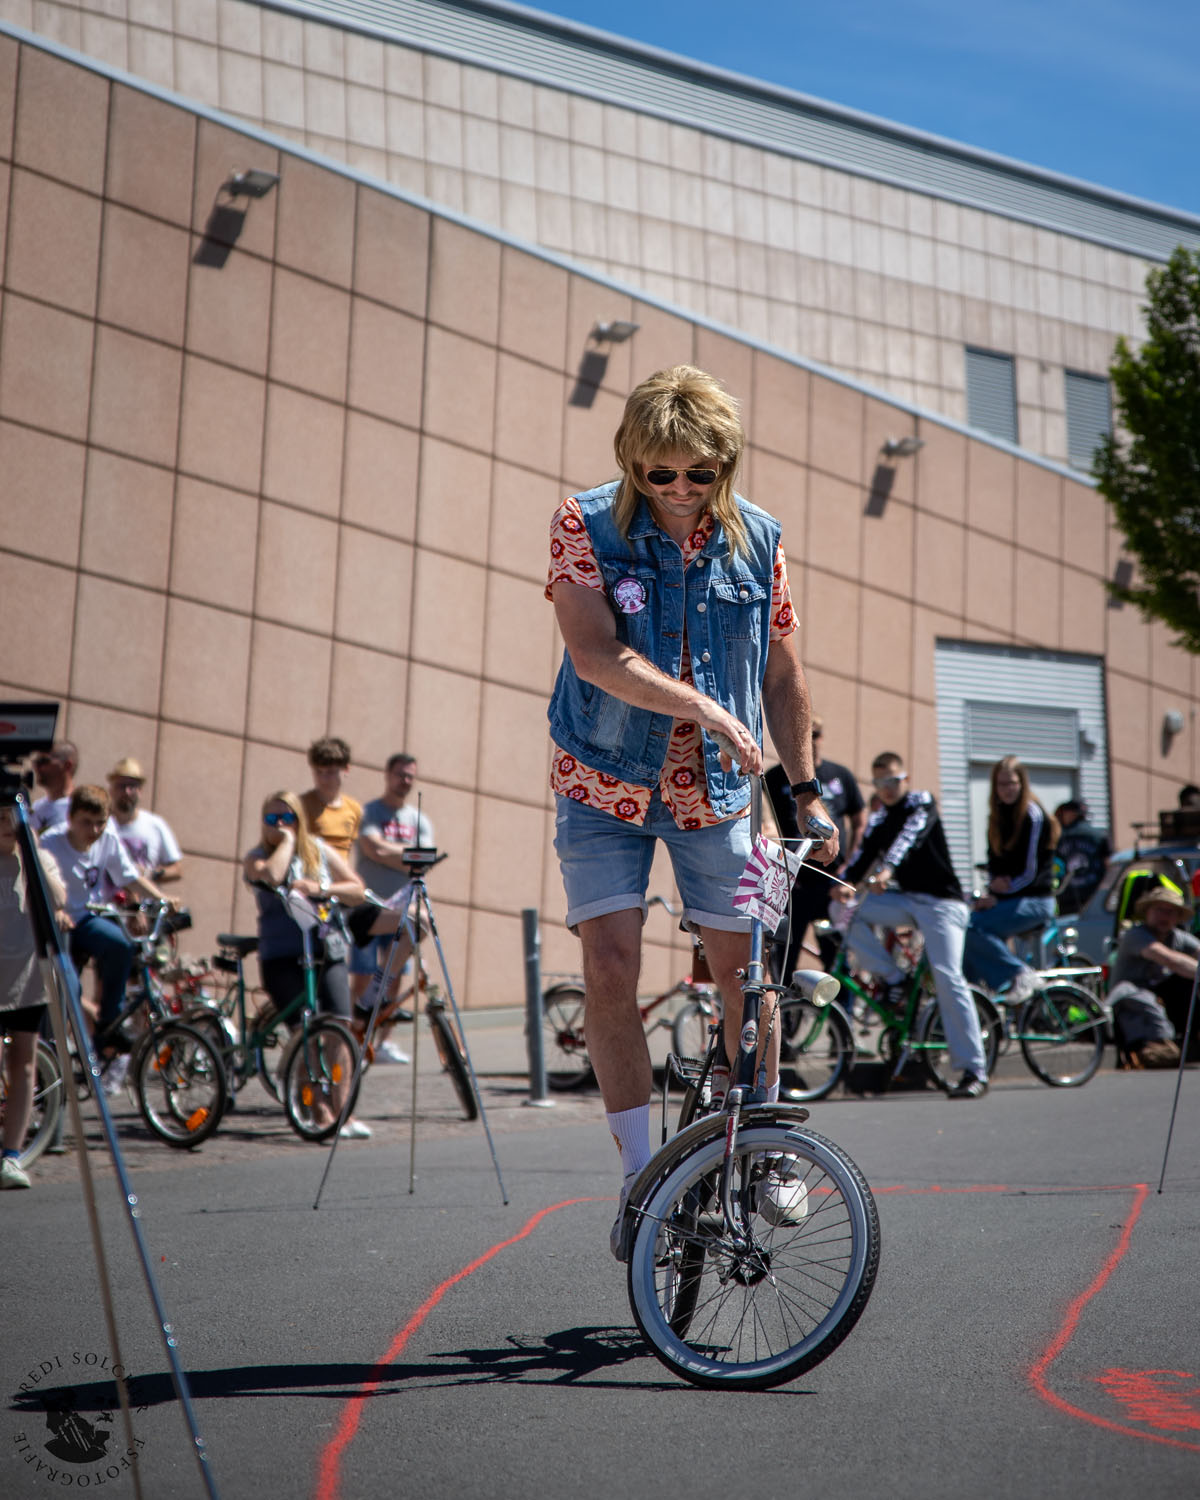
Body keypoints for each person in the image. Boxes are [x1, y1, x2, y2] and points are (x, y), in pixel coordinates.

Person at [545, 364, 838, 1256]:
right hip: (603, 780)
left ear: (727, 466)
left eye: (698, 474)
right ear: (632, 464)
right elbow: (595, 654)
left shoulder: (759, 542)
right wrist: (708, 706)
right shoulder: (583, 524)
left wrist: (805, 789)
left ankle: (766, 1151)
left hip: (717, 793)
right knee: (611, 964)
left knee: (748, 975)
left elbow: (783, 675)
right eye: (658, 473)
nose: (677, 490)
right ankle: (640, 1175)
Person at [243, 790, 409, 1139]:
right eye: (272, 819)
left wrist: (319, 886)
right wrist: (288, 841)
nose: (280, 825)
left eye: (287, 818)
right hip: (282, 956)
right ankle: (318, 1111)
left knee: (340, 1027)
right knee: (306, 1030)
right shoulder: (257, 857)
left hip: (325, 948)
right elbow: (272, 876)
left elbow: (356, 888)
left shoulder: (318, 850)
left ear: (301, 819)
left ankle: (342, 1113)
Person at [834, 752, 989, 1099]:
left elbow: (907, 839)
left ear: (905, 778)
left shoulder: (921, 803)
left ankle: (973, 1070)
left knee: (947, 977)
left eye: (892, 781)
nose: (886, 789)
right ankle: (894, 978)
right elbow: (860, 858)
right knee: (842, 909)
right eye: (878, 783)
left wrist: (886, 870)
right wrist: (840, 883)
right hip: (907, 903)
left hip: (943, 905)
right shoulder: (879, 817)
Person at [37, 786, 179, 1092]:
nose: (95, 830)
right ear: (71, 818)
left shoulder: (108, 840)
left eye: (100, 823)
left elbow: (129, 876)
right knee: (68, 988)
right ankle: (53, 1056)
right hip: (55, 924)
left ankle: (108, 1029)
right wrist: (55, 909)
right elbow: (32, 883)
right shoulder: (50, 843)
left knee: (119, 944)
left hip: (86, 919)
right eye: (87, 822)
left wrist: (163, 899)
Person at [765, 715, 865, 977]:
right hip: (794, 882)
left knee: (836, 959)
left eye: (815, 734)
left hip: (831, 881)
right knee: (784, 958)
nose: (811, 740)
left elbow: (860, 820)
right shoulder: (775, 778)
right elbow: (766, 822)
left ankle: (838, 1015)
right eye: (805, 734)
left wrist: (849, 866)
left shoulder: (840, 775)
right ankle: (786, 1017)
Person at [349, 753, 434, 1062]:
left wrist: (388, 852)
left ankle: (382, 1041)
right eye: (400, 774)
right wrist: (407, 854)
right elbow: (372, 848)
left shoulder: (419, 819)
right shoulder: (370, 812)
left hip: (404, 909)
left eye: (410, 775)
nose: (405, 780)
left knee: (394, 978)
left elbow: (426, 860)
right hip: (370, 908)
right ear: (387, 774)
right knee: (361, 976)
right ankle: (353, 1036)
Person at [1, 803, 66, 1188]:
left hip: (28, 978)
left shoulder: (37, 858)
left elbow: (58, 899)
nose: (6, 827)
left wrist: (32, 851)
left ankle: (12, 1154)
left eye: (11, 819)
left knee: (23, 1063)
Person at [963, 756, 1059, 1003]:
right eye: (1001, 784)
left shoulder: (1033, 815)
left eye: (1012, 783)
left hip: (1035, 900)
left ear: (1022, 784)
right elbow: (995, 864)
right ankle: (974, 999)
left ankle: (1018, 974)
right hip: (1010, 899)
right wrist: (991, 894)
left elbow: (1031, 870)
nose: (1007, 789)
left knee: (974, 928)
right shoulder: (996, 817)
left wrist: (1003, 890)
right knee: (963, 930)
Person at [1107, 887, 1198, 1066]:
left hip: (1161, 998)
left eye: (1170, 911)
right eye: (1159, 910)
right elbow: (1168, 959)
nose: (1164, 916)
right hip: (1132, 1001)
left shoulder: (1177, 937)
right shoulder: (1136, 935)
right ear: (1147, 912)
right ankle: (1154, 1047)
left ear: (1178, 917)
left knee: (1188, 984)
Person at [106, 757, 183, 883]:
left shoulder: (155, 825)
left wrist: (149, 874)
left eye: (132, 786)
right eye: (121, 786)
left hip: (142, 900)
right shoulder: (100, 823)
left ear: (140, 791)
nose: (127, 792)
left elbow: (177, 869)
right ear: (111, 789)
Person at [300, 737, 362, 860]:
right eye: (318, 772)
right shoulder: (301, 805)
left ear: (346, 769)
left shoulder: (355, 809)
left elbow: (353, 852)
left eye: (330, 772)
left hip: (342, 877)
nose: (323, 779)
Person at [1051, 799, 1109, 915]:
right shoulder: (1099, 835)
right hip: (1095, 896)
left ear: (1071, 813)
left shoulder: (1058, 837)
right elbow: (1108, 864)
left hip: (1067, 896)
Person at [30, 741, 78, 833]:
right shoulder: (37, 807)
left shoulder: (80, 807)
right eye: (35, 762)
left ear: (67, 765)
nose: (36, 767)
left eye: (43, 762)